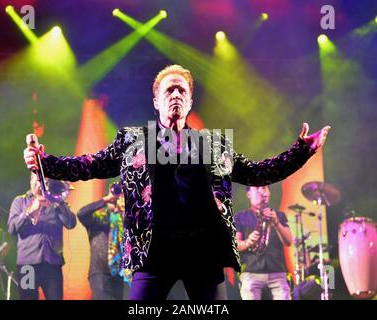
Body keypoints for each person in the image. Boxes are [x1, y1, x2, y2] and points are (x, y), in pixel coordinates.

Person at [23, 64, 330, 300]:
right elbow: (90, 164)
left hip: (202, 253)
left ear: (190, 101)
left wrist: (301, 151)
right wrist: (43, 162)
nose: (176, 95)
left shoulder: (213, 146)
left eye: (182, 91)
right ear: (155, 101)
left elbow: (257, 173)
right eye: (169, 90)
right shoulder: (134, 140)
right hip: (153, 252)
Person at [7, 173, 76, 300]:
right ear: (31, 181)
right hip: (27, 265)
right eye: (37, 179)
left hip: (52, 264)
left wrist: (60, 202)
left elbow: (71, 223)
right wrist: (29, 211)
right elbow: (12, 228)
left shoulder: (56, 202)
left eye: (43, 180)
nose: (40, 182)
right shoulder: (20, 201)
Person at [235, 185, 293, 300]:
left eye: (265, 188)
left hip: (277, 272)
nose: (262, 191)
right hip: (251, 272)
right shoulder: (240, 217)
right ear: (248, 194)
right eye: (257, 188)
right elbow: (235, 246)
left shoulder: (279, 215)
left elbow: (289, 241)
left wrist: (276, 222)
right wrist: (248, 242)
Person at [77, 184, 128, 300]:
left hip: (118, 274)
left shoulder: (125, 221)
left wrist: (124, 210)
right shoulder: (98, 219)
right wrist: (105, 200)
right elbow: (81, 213)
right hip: (100, 272)